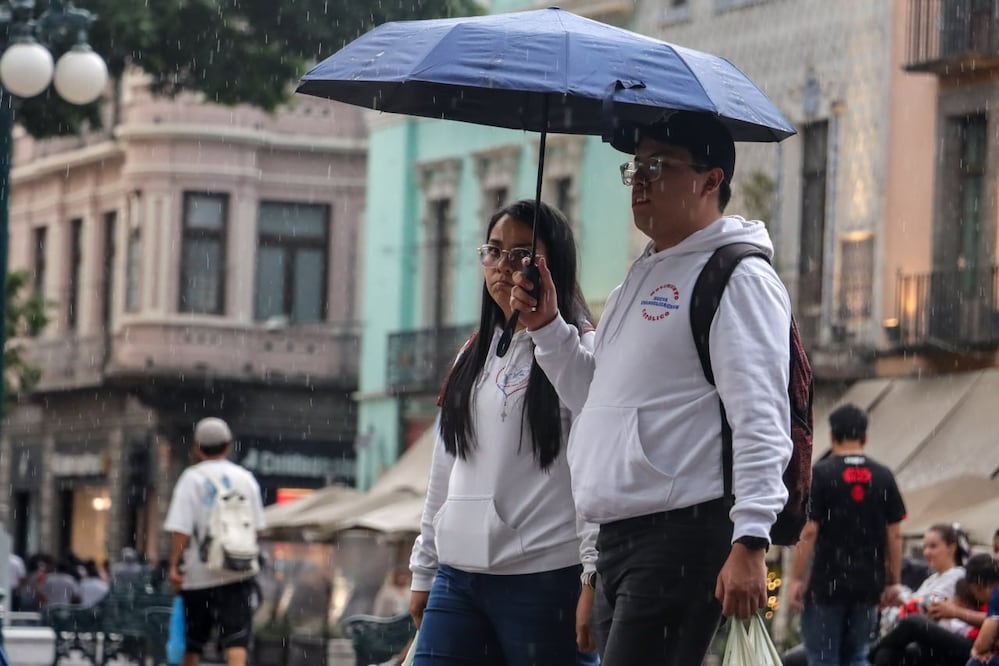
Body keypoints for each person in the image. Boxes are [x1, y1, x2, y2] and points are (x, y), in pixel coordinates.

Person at [511, 111, 793, 665]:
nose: (639, 181)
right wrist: (548, 328)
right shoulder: (632, 284)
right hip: (622, 538)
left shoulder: (737, 277)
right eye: (635, 167)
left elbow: (761, 416)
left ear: (712, 180)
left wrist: (752, 539)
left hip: (679, 535)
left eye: (658, 166)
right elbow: (597, 403)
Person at [409, 199, 599, 666]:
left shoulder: (581, 352)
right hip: (458, 579)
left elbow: (599, 469)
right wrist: (424, 568)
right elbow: (446, 469)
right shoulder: (471, 355)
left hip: (545, 578)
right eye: (493, 251)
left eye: (521, 254)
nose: (503, 266)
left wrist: (593, 576)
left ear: (553, 264)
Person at [787, 403, 905, 666]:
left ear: (831, 436)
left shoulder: (821, 474)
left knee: (823, 658)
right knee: (858, 656)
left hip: (827, 582)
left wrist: (795, 578)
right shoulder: (883, 476)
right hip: (868, 583)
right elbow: (895, 534)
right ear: (865, 436)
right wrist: (893, 580)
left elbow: (809, 531)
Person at [164, 416, 266, 666]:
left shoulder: (191, 479)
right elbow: (258, 529)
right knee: (237, 638)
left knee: (193, 639)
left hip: (199, 573)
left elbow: (181, 529)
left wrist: (175, 565)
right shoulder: (246, 479)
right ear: (229, 446)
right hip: (237, 571)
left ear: (197, 448)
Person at [871, 523, 975, 665]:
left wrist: (900, 595)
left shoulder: (957, 576)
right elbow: (911, 607)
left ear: (951, 548)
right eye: (925, 547)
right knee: (887, 652)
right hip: (928, 641)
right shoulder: (932, 579)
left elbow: (923, 609)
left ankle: (867, 655)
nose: (926, 552)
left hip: (953, 640)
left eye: (933, 546)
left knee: (911, 623)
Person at [965, 554, 999, 666]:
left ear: (978, 586)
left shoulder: (996, 595)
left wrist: (975, 651)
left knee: (975, 663)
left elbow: (981, 646)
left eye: (974, 593)